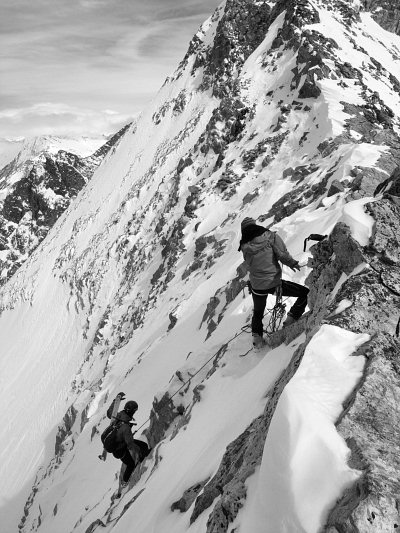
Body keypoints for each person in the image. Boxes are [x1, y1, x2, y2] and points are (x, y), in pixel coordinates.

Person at [239, 217, 309, 348]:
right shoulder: (270, 237)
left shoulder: (244, 245)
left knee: (258, 312)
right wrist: (292, 263)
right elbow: (282, 254)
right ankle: (291, 319)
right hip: (273, 283)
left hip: (257, 286)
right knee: (305, 293)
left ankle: (257, 340)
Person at [106, 394, 150, 488]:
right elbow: (130, 445)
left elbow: (110, 413)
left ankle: (141, 457)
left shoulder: (118, 416)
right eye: (135, 410)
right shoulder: (125, 427)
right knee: (131, 464)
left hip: (120, 442)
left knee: (143, 445)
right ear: (132, 411)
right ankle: (124, 482)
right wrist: (141, 451)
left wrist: (116, 401)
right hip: (119, 450)